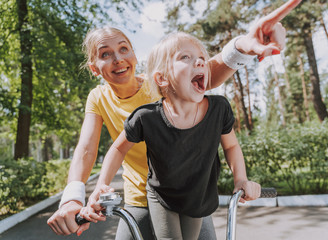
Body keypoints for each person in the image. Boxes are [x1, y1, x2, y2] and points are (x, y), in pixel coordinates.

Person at [47, 0, 300, 238]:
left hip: (188, 193)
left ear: (135, 54)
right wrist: (74, 197)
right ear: (94, 67)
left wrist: (242, 46)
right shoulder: (98, 98)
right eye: (106, 54)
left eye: (124, 48)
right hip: (141, 198)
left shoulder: (159, 86)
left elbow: (204, 72)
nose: (118, 58)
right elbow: (87, 149)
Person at [82, 32, 261, 240]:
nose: (200, 62)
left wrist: (241, 179)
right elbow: (117, 148)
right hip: (161, 194)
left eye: (202, 58)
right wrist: (102, 184)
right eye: (185, 57)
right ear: (162, 78)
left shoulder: (218, 109)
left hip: (196, 193)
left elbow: (231, 147)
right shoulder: (146, 116)